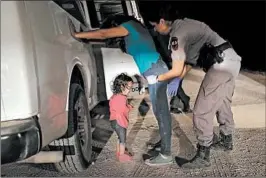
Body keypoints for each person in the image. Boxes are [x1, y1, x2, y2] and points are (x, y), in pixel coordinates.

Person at [74, 15, 181, 166]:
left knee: (162, 113)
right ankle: (164, 145)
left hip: (156, 72)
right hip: (154, 70)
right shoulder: (136, 30)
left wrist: (77, 35)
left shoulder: (130, 26)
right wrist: (87, 38)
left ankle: (166, 154)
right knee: (160, 113)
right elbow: (103, 37)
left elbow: (103, 34)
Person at [145, 4, 241, 168]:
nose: (155, 30)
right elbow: (189, 61)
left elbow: (176, 69)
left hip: (220, 66)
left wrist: (157, 78)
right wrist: (178, 78)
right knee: (222, 103)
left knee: (201, 111)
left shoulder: (177, 35)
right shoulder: (187, 24)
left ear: (162, 21)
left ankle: (203, 155)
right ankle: (226, 140)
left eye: (154, 26)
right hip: (231, 61)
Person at [149, 28, 191, 114]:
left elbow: (167, 49)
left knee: (176, 84)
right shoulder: (162, 34)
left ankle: (184, 100)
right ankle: (176, 104)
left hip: (173, 61)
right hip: (170, 61)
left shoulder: (164, 35)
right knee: (176, 85)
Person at [109, 73, 134, 162]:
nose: (130, 90)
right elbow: (122, 109)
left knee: (119, 137)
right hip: (120, 121)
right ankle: (122, 155)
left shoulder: (115, 96)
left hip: (114, 121)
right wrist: (129, 107)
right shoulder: (121, 98)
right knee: (123, 139)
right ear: (121, 86)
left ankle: (119, 152)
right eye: (129, 87)